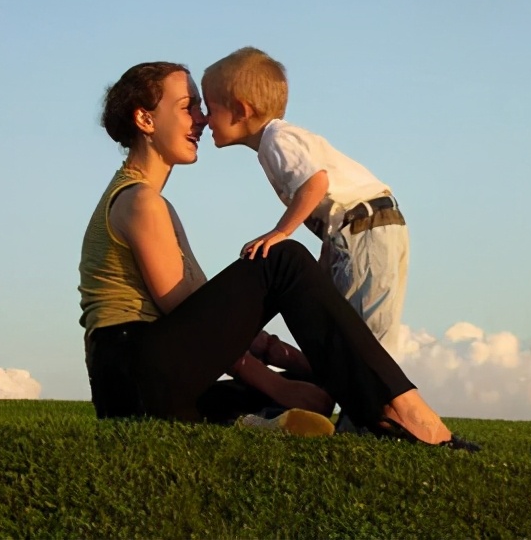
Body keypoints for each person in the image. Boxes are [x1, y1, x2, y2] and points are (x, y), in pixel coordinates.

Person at [78, 61, 477, 450]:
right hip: (134, 371)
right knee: (282, 258)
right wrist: (276, 383)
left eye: (201, 107)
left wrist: (297, 364)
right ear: (145, 120)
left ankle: (269, 421)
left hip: (142, 388)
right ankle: (403, 410)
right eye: (188, 107)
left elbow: (204, 307)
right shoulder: (140, 202)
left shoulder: (150, 201)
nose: (202, 118)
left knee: (314, 385)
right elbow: (181, 307)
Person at [200, 47, 408, 355]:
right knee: (344, 328)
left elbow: (315, 183)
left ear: (241, 110)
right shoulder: (276, 142)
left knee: (363, 336)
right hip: (357, 228)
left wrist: (280, 232)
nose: (205, 120)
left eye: (210, 109)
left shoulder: (277, 139)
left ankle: (377, 387)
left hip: (365, 228)